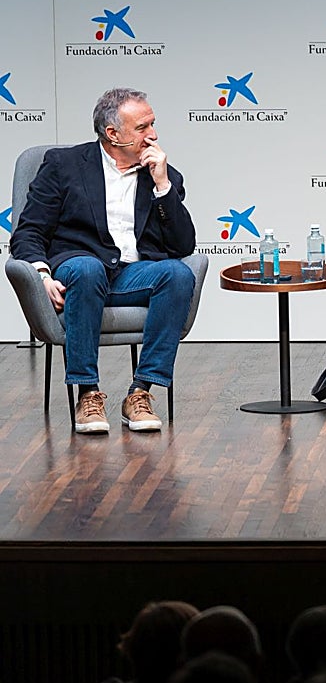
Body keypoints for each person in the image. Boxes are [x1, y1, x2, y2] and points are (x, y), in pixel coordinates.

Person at [10, 87, 197, 434]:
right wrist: (42, 273)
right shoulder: (63, 166)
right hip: (78, 270)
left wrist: (162, 186)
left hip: (131, 276)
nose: (153, 135)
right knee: (88, 267)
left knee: (178, 273)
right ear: (113, 133)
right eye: (142, 127)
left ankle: (141, 392)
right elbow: (28, 231)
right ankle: (87, 394)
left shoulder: (161, 175)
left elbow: (183, 243)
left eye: (152, 124)